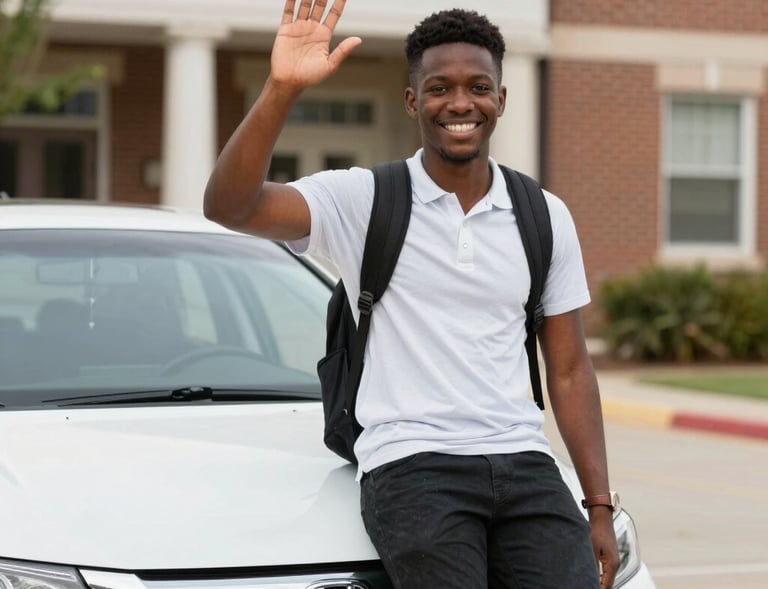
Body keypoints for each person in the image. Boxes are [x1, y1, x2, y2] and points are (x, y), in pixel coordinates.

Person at [204, 1, 620, 587]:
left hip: (525, 461)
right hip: (412, 464)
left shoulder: (543, 215)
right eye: (439, 87)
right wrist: (281, 88)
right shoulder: (363, 199)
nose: (459, 103)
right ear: (412, 100)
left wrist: (598, 504)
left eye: (479, 87)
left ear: (501, 100)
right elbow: (231, 206)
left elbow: (571, 369)